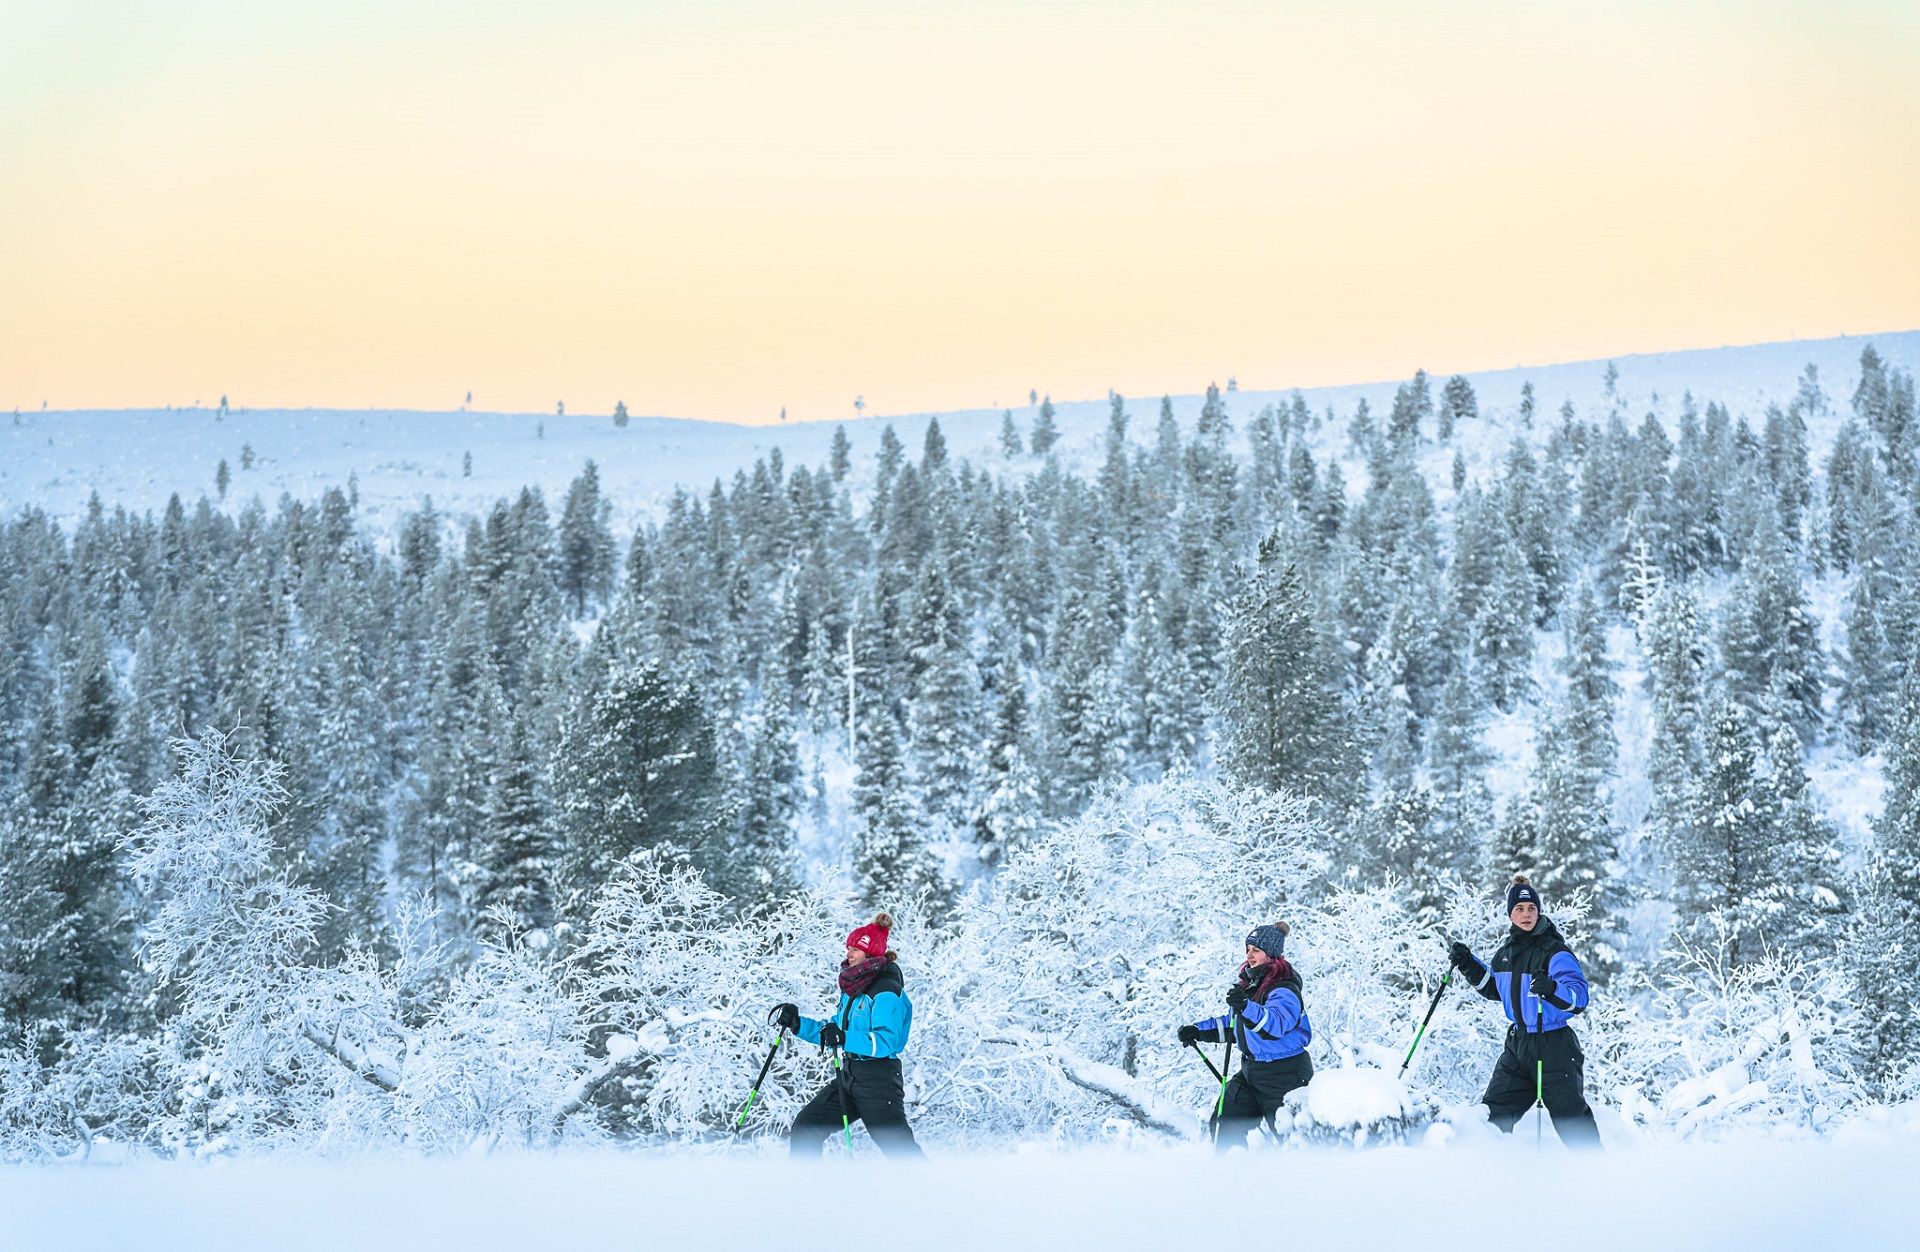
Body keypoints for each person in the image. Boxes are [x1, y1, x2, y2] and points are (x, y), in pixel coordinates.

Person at [1448, 874, 1601, 1148]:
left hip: (1554, 1047)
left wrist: (1552, 988)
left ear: (1539, 911)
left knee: (1572, 1121)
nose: (1526, 914)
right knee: (1493, 1115)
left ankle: (1599, 1175)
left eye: (1531, 908)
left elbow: (1579, 998)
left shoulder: (1554, 951)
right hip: (1518, 1047)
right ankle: (1490, 1175)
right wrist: (1468, 964)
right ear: (1510, 914)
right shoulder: (1505, 954)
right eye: (1519, 909)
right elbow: (1494, 988)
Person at [772, 910, 923, 1158]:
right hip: (850, 1076)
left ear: (871, 953)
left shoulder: (885, 991)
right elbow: (836, 1029)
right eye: (848, 948)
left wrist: (843, 1037)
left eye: (855, 949)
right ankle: (803, 1189)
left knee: (900, 1151)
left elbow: (886, 1041)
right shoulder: (854, 989)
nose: (848, 953)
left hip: (878, 1081)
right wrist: (798, 1024)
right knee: (806, 1126)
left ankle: (933, 1192)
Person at [1177, 921, 1313, 1148]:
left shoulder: (1284, 989)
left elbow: (1274, 1025)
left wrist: (1245, 1007)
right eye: (1248, 949)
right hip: (1252, 1072)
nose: (1249, 955)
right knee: (1225, 1125)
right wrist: (1198, 1031)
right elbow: (1236, 1026)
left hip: (1285, 1075)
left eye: (1256, 950)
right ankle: (1232, 1175)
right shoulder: (1253, 986)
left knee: (1289, 1138)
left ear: (1271, 954)